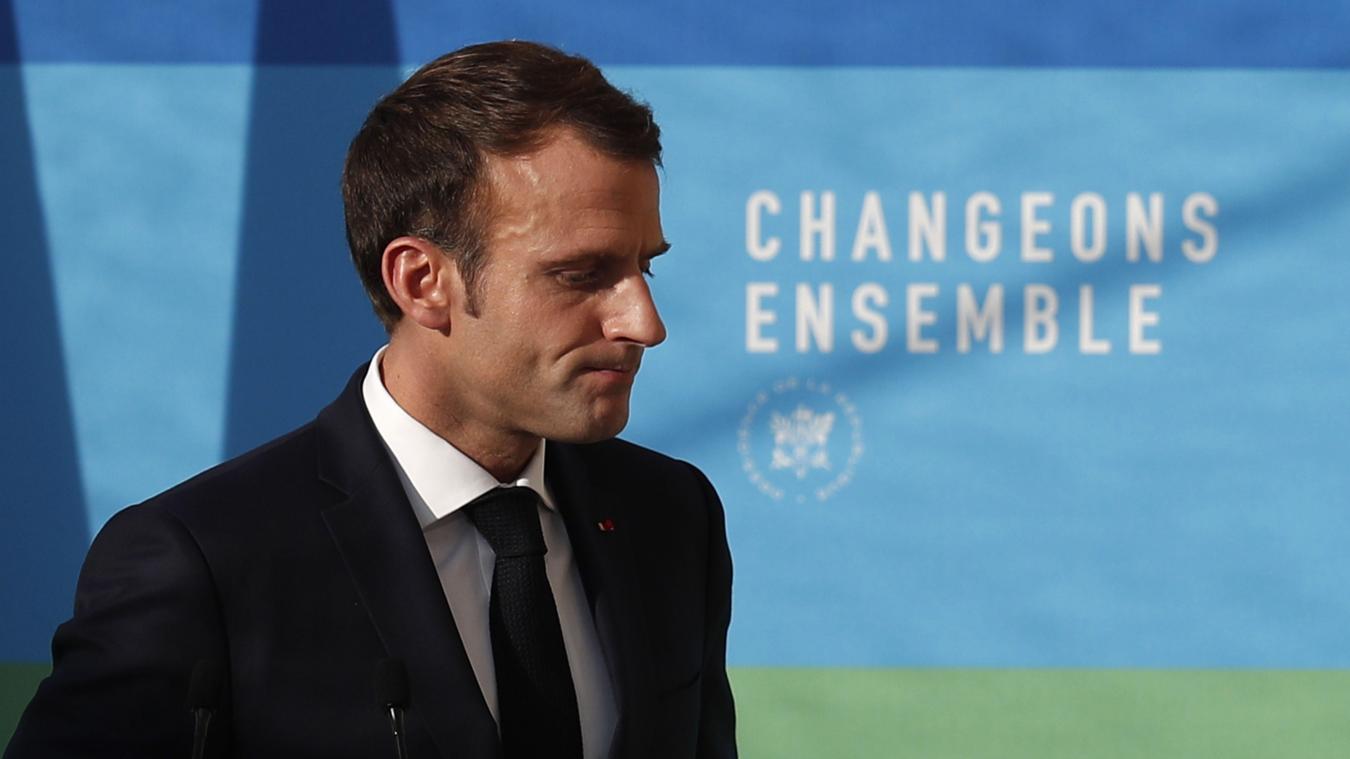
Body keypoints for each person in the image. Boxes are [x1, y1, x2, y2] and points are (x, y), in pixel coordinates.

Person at [6, 41, 735, 759]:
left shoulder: (672, 517)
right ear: (422, 282)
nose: (644, 323)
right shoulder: (203, 563)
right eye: (581, 274)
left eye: (644, 267)